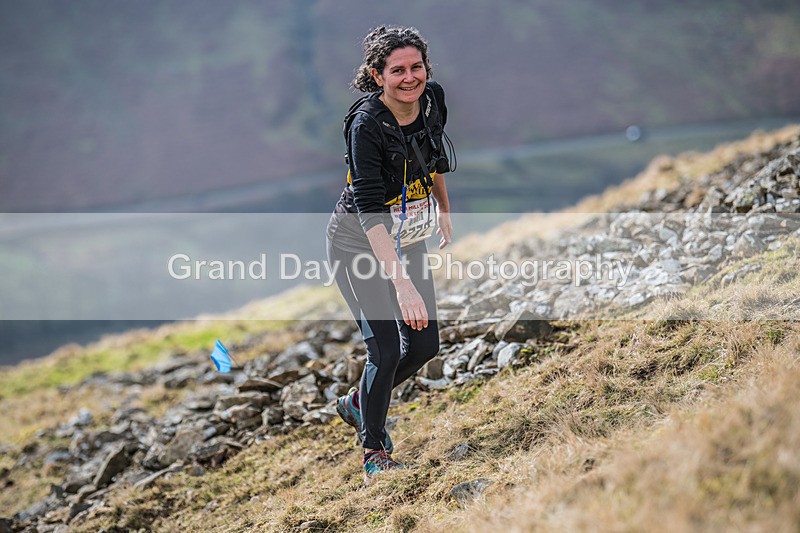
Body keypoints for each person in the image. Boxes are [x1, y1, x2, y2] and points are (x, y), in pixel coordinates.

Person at [326, 25, 456, 480]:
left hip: (407, 236)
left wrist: (443, 208)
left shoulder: (433, 99)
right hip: (357, 244)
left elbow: (434, 156)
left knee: (423, 345)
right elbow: (368, 208)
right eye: (397, 70)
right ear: (377, 75)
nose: (409, 77)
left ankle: (357, 403)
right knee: (384, 349)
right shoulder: (366, 126)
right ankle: (374, 452)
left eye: (416, 67)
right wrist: (402, 284)